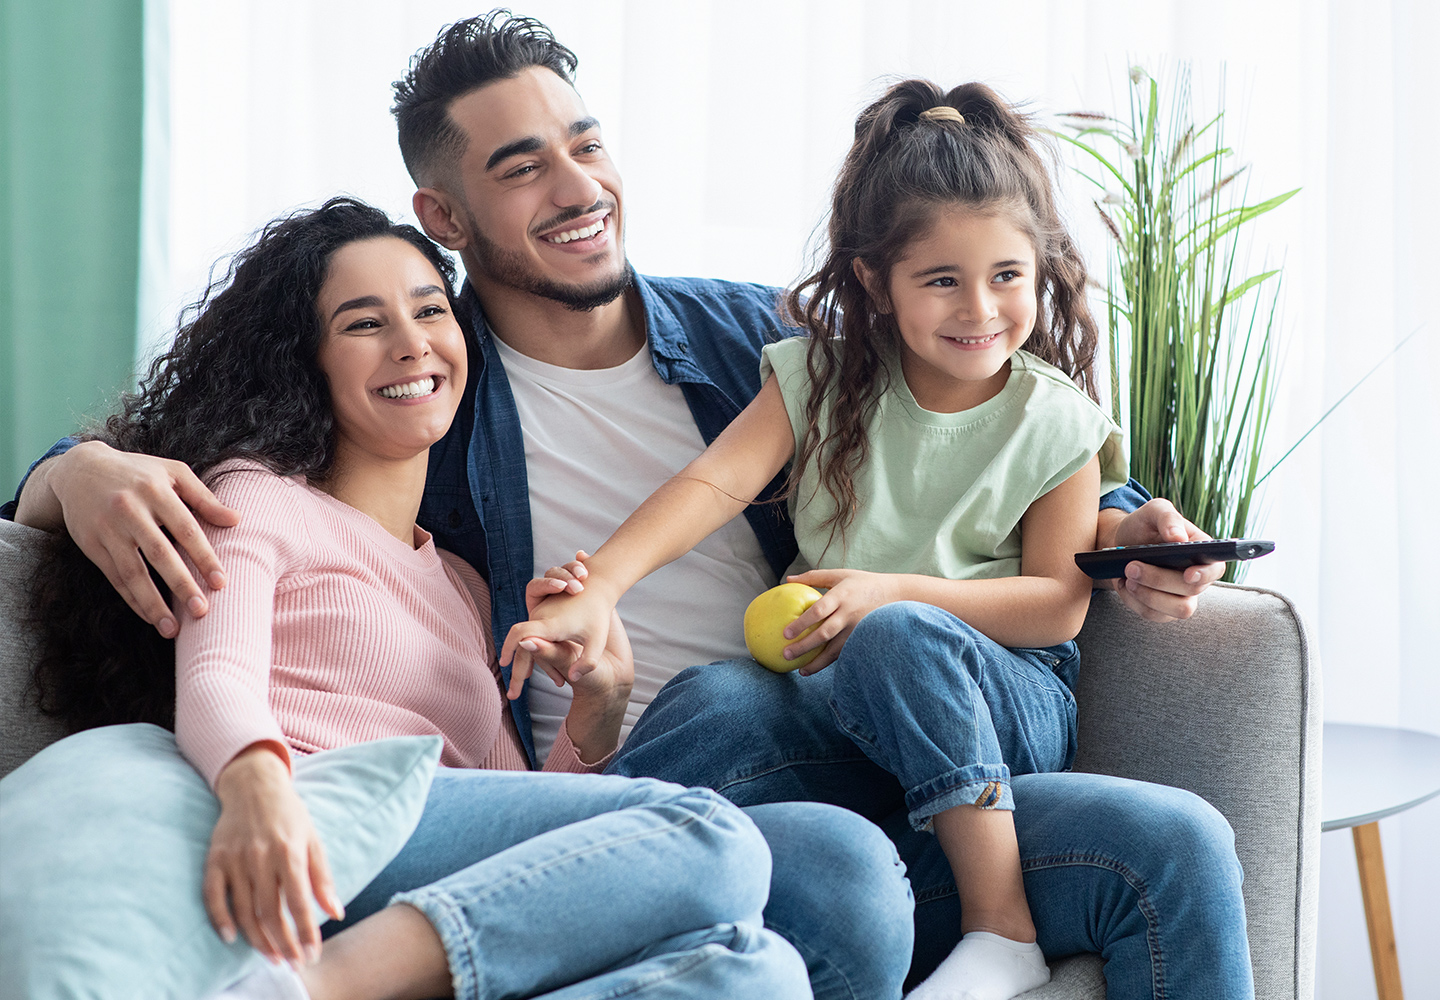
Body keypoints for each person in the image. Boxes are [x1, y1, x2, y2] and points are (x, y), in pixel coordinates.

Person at [7, 11, 1236, 999]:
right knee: (738, 716)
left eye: (584, 142)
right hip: (659, 773)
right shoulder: (426, 384)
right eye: (520, 163)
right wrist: (70, 470)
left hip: (883, 740)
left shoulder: (755, 332)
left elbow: (962, 414)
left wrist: (1127, 527)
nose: (573, 182)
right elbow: (226, 449)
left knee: (1176, 844)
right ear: (446, 217)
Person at [28, 197, 813, 1000]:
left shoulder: (467, 588)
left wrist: (595, 717)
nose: (413, 345)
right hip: (316, 828)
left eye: (430, 310)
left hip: (429, 879)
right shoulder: (254, 495)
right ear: (306, 362)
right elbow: (216, 673)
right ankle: (313, 991)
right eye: (364, 325)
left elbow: (536, 825)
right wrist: (259, 790)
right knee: (711, 836)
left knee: (758, 970)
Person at [500, 78, 1137, 1000]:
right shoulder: (825, 376)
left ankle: (1004, 928)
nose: (980, 309)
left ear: (1041, 270)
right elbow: (711, 484)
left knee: (900, 634)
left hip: (1002, 704)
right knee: (717, 697)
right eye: (941, 281)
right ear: (877, 281)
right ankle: (541, 877)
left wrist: (892, 593)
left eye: (1008, 277)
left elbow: (1054, 609)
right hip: (841, 704)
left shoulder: (1058, 422)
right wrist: (601, 585)